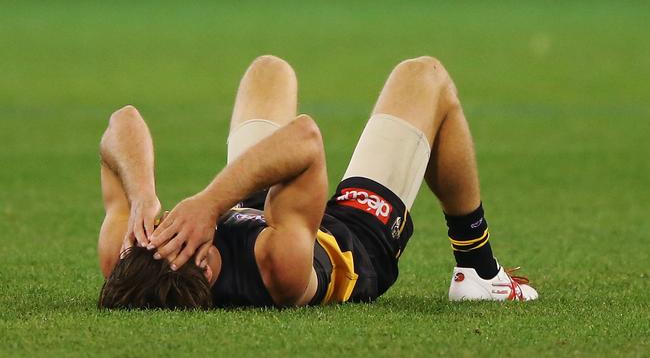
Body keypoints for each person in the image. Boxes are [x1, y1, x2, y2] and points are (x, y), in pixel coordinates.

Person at [97, 55, 538, 309]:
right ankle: (478, 271)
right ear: (209, 271)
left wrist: (143, 197)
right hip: (347, 240)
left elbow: (121, 123)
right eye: (178, 237)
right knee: (425, 76)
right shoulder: (276, 267)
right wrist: (210, 204)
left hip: (263, 212)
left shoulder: (131, 264)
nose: (169, 227)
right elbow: (306, 140)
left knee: (268, 71)